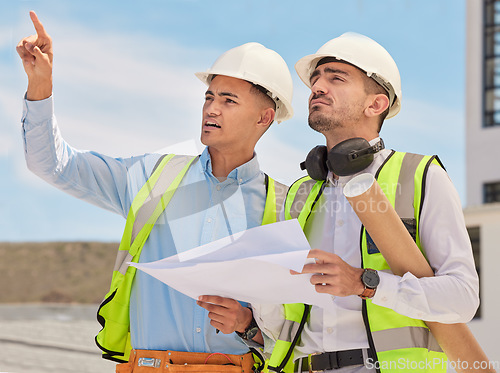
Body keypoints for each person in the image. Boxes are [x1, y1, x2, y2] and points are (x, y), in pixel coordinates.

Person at [17, 11, 293, 372]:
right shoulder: (152, 177)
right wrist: (41, 87)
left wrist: (248, 325)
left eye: (228, 100)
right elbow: (53, 165)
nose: (211, 109)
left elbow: (299, 326)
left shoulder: (285, 206)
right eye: (209, 97)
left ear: (264, 118)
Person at [251, 32, 480, 373]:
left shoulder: (420, 176)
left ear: (376, 104)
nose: (317, 87)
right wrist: (249, 321)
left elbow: (462, 298)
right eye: (315, 79)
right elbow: (283, 319)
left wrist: (366, 284)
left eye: (336, 78)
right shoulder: (298, 194)